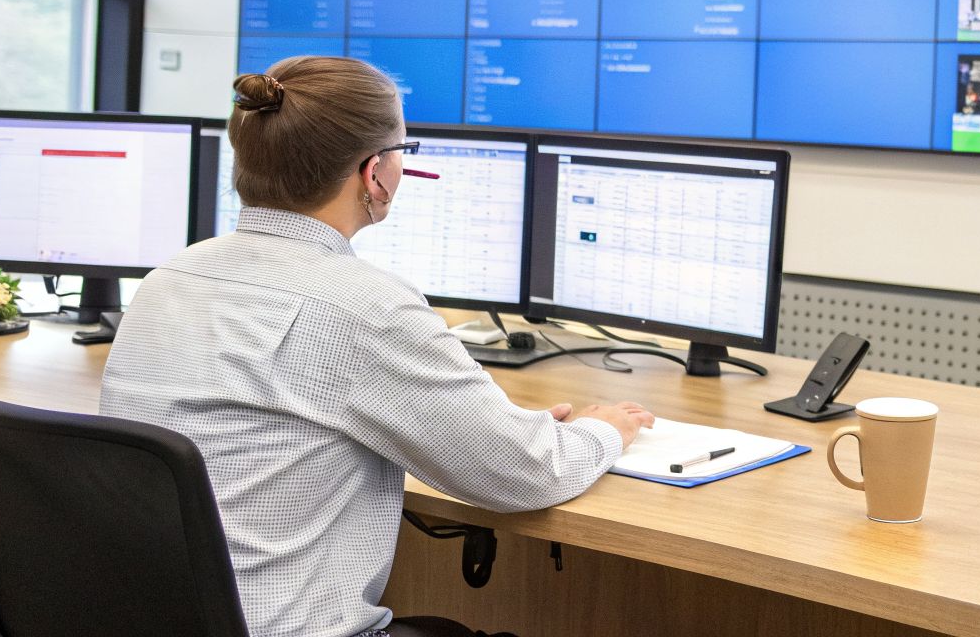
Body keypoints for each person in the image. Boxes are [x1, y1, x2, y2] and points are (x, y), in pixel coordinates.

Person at [100, 55, 654, 637]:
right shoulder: (363, 305)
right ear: (374, 173)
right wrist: (603, 430)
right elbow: (522, 474)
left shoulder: (172, 276)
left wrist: (487, 428)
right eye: (402, 153)